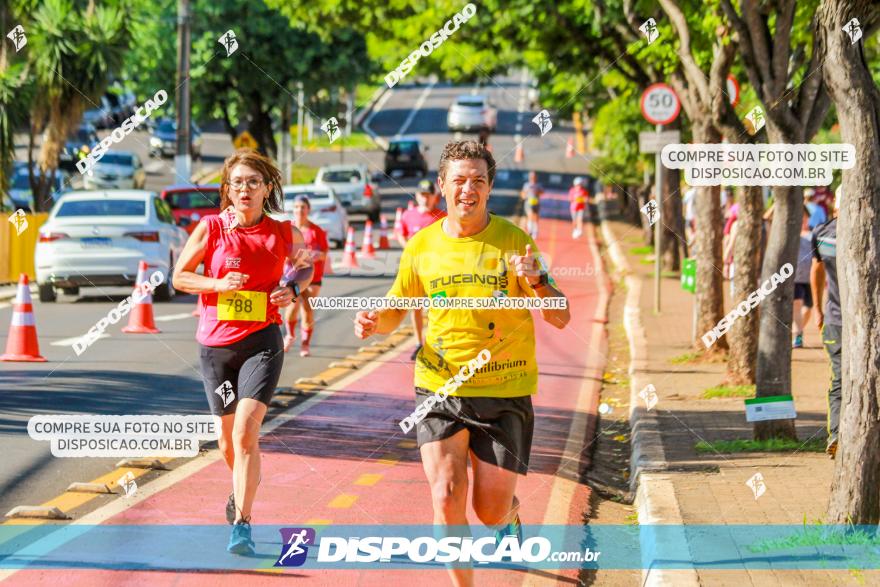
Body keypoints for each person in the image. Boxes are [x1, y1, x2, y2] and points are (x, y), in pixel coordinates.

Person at [354, 140, 570, 587]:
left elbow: (561, 314)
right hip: (439, 386)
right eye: (459, 180)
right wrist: (376, 321)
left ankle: (507, 519)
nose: (467, 189)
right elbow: (398, 307)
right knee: (446, 494)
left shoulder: (514, 242)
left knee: (488, 510)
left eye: (477, 180)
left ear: (489, 187)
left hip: (504, 388)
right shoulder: (421, 246)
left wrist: (535, 281)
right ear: (442, 186)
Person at [172, 149, 313, 554]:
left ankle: (243, 522)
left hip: (262, 342)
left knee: (246, 431)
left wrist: (295, 286)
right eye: (238, 183)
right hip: (216, 346)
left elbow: (306, 265)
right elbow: (181, 276)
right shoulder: (211, 228)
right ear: (227, 190)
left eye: (254, 182)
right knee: (226, 442)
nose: (246, 189)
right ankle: (243, 485)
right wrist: (219, 286)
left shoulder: (283, 232)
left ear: (267, 188)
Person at [397, 179, 446, 360]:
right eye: (422, 195)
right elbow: (400, 232)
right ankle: (419, 343)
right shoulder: (408, 215)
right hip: (414, 268)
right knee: (415, 306)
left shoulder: (442, 217)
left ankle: (437, 343)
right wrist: (408, 246)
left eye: (428, 195)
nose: (425, 199)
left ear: (435, 197)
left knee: (437, 306)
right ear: (417, 196)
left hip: (437, 269)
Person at [810, 187, 841, 458]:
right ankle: (836, 435)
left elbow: (816, 271)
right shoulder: (824, 235)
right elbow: (817, 270)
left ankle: (837, 434)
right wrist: (819, 310)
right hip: (837, 320)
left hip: (834, 318)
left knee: (838, 379)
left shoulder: (823, 233)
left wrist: (818, 309)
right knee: (839, 377)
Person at [282, 195, 329, 356]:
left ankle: (305, 344)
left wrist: (315, 255)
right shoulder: (287, 229)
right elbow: (281, 252)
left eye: (303, 207)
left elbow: (324, 254)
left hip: (312, 278)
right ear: (292, 210)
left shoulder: (317, 231)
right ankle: (289, 335)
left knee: (307, 309)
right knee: (293, 306)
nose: (300, 210)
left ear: (308, 210)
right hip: (292, 276)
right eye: (296, 207)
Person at [792, 206, 814, 349]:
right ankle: (798, 336)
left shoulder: (813, 234)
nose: (802, 219)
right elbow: (767, 220)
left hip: (810, 277)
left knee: (809, 307)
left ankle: (797, 330)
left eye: (804, 216)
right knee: (798, 304)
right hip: (796, 277)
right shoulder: (792, 235)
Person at [520, 170, 543, 238]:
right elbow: (522, 194)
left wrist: (537, 192)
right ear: (529, 177)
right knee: (530, 216)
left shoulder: (538, 185)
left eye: (534, 176)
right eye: (531, 176)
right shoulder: (526, 185)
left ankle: (535, 231)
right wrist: (525, 195)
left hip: (536, 203)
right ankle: (530, 231)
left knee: (535, 217)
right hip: (528, 203)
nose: (532, 177)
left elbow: (542, 192)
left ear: (536, 177)